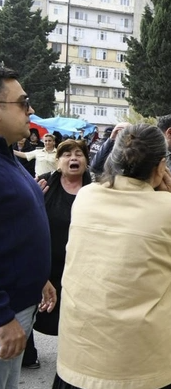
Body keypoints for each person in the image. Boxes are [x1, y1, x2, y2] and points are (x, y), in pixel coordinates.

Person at [42, 124, 171, 389]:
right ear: (161, 166)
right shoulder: (170, 208)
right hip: (140, 362)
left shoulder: (87, 196)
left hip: (84, 351)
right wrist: (165, 195)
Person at [0, 66, 57, 389]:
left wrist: (41, 278)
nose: (30, 110)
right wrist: (2, 316)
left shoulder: (8, 159)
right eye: (22, 103)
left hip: (21, 302)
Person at [22, 139, 92, 370]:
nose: (73, 158)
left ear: (86, 160)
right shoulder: (44, 185)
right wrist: (33, 200)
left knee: (81, 311)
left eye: (79, 154)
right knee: (33, 306)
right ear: (58, 161)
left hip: (83, 262)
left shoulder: (97, 188)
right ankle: (26, 353)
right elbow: (26, 218)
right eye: (67, 155)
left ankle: (79, 355)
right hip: (47, 259)